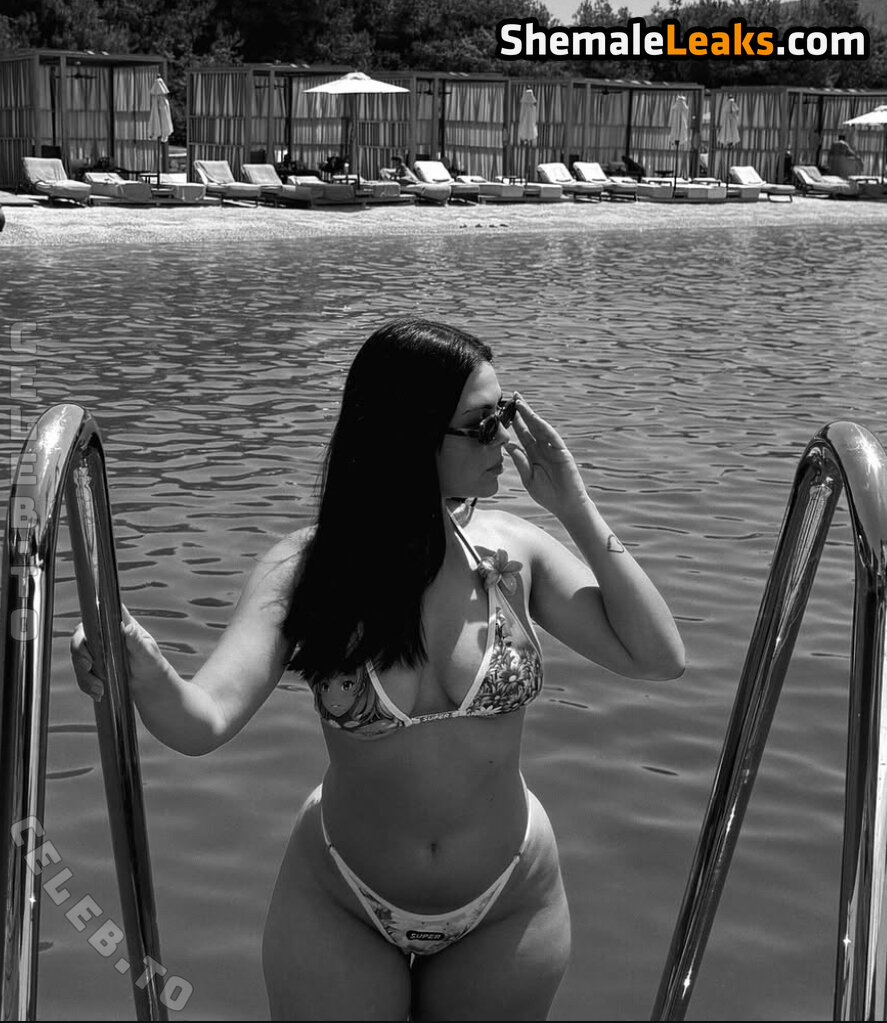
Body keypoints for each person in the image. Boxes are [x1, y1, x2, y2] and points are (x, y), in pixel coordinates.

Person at [71, 318, 685, 1021]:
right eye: (483, 424)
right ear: (408, 433)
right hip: (342, 898)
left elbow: (657, 657)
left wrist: (573, 504)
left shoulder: (515, 552)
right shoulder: (307, 570)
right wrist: (138, 661)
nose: (506, 441)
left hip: (508, 898)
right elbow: (201, 723)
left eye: (507, 414)